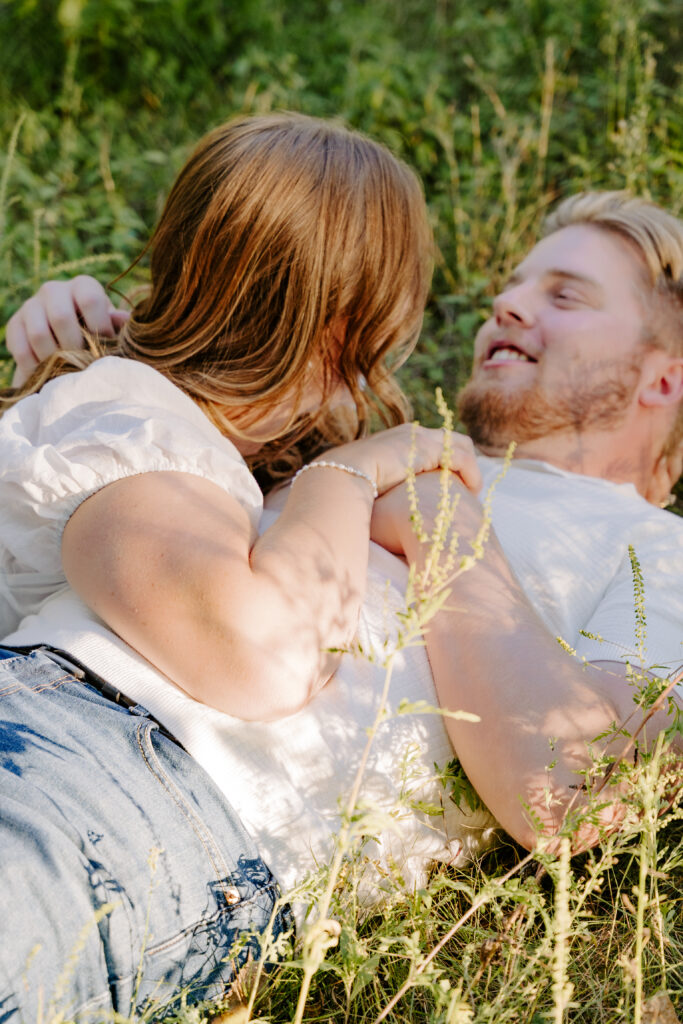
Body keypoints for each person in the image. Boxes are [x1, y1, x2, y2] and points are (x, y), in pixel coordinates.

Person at [5, 180, 683, 1008]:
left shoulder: (658, 554)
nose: (504, 306)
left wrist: (436, 517)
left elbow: (574, 787)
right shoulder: (352, 440)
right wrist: (86, 341)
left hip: (158, 798)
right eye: (511, 289)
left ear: (665, 376)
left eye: (563, 296)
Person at [0, 112, 482, 1021]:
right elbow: (264, 659)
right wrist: (355, 470)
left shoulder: (172, 432)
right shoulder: (129, 420)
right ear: (348, 327)